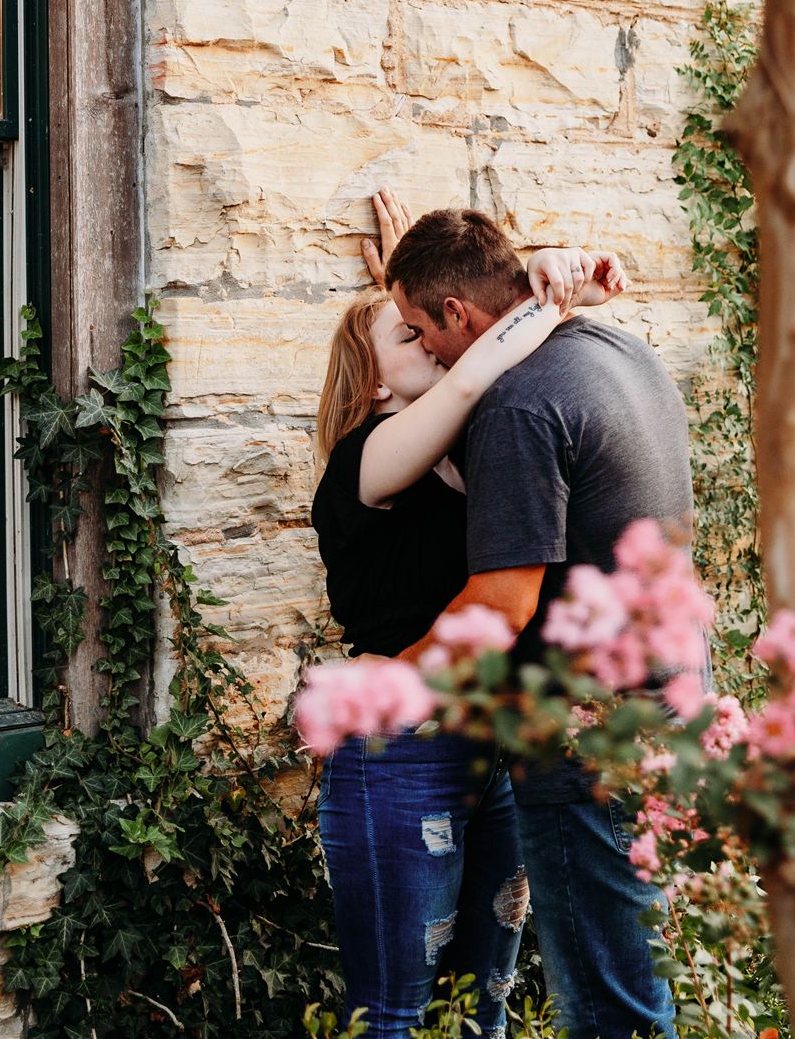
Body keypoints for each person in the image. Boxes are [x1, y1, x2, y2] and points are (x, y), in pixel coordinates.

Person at [311, 191, 625, 1039]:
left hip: (486, 742)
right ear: (374, 378)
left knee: (481, 1004)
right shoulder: (366, 459)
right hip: (398, 748)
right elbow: (481, 363)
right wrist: (544, 287)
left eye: (426, 327)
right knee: (397, 1016)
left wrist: (442, 284)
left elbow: (479, 356)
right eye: (406, 337)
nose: (431, 347)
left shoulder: (464, 446)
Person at [384, 207, 697, 1039]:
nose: (425, 355)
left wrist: (381, 689)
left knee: (608, 1008)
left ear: (459, 314)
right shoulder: (616, 349)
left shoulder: (517, 406)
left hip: (585, 733)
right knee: (636, 974)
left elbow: (499, 605)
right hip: (668, 699)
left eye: (420, 330)